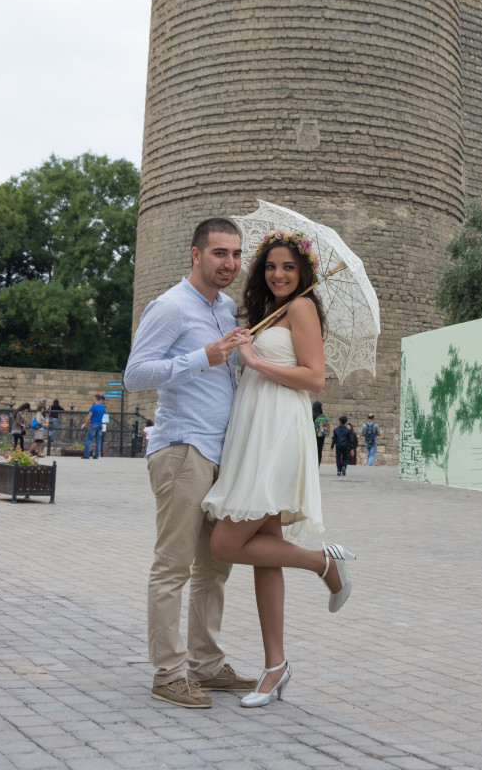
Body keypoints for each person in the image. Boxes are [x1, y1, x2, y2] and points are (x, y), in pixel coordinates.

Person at [202, 228, 356, 709]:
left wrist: (254, 360)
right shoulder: (270, 311)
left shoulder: (303, 308)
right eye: (271, 266)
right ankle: (275, 667)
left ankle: (323, 561)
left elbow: (314, 377)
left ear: (303, 270)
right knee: (265, 553)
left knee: (226, 543)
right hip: (254, 430)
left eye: (289, 266)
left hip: (277, 432)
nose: (279, 274)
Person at [124, 217, 255, 709]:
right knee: (173, 567)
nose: (231, 264)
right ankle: (167, 673)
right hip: (182, 450)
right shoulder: (171, 307)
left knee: (214, 568)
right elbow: (136, 374)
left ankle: (207, 665)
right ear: (196, 255)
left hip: (220, 453)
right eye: (220, 253)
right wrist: (202, 356)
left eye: (237, 254)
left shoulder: (225, 308)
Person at [312, 400, 330, 465]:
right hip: (321, 437)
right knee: (319, 452)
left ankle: (312, 467)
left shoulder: (312, 417)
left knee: (311, 452)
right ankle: (317, 467)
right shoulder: (323, 417)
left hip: (312, 437)